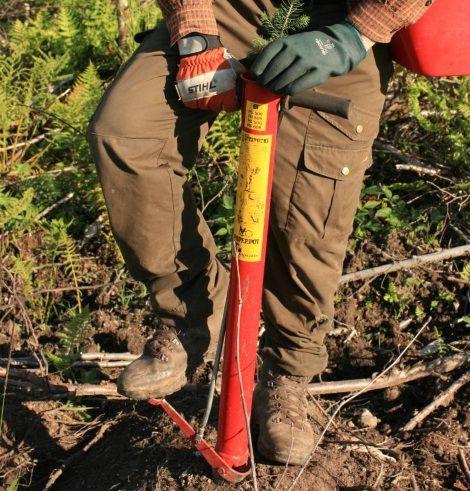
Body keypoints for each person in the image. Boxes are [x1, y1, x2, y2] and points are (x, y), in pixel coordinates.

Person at [87, 0, 432, 465]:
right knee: (127, 133)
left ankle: (287, 376)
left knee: (309, 224)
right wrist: (193, 31)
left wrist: (357, 33)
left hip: (340, 18)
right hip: (227, 9)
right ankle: (191, 308)